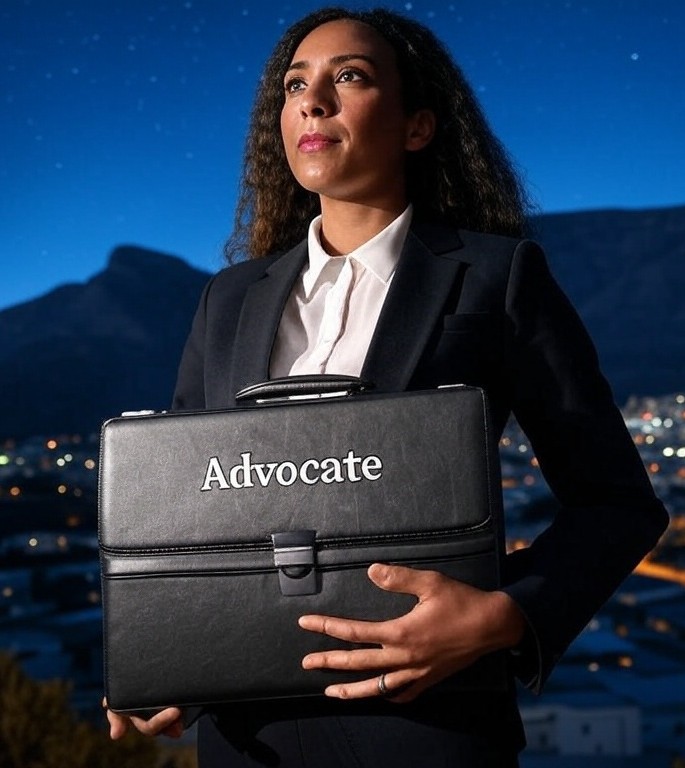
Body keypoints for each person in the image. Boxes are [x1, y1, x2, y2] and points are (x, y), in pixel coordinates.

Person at [106, 7, 669, 766]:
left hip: (424, 727)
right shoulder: (227, 299)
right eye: (293, 85)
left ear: (417, 126)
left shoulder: (495, 277)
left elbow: (616, 503)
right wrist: (157, 650)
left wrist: (503, 615)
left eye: (350, 77)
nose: (312, 100)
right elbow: (176, 522)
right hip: (246, 738)